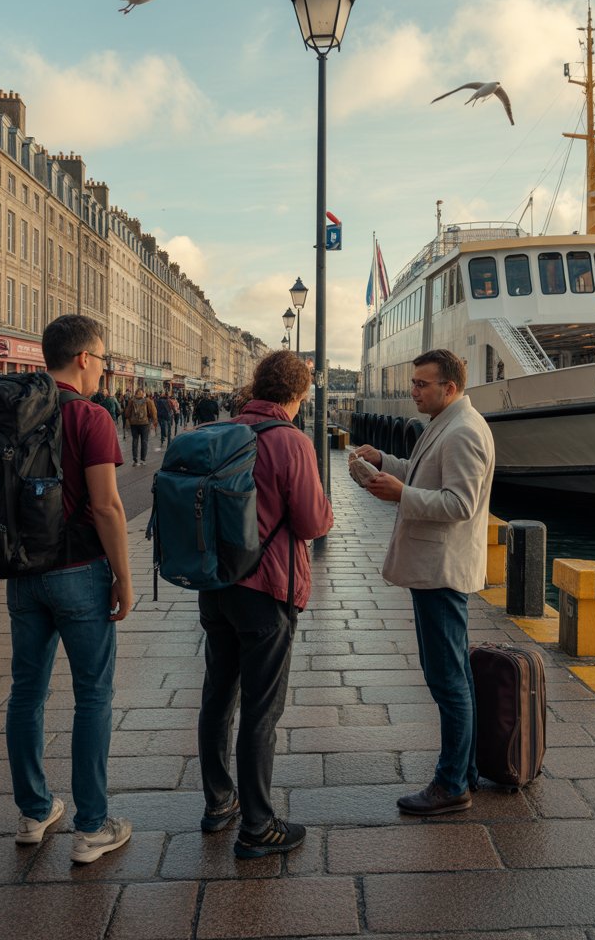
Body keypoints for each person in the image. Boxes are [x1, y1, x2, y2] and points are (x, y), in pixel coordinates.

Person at [5, 313, 134, 864]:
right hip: (79, 571)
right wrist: (123, 578)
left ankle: (34, 813)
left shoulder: (12, 410)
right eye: (102, 359)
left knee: (26, 694)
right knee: (93, 697)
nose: (103, 369)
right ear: (83, 358)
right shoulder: (90, 415)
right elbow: (105, 505)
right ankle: (91, 827)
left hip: (21, 574)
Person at [197, 350, 333, 859]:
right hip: (267, 588)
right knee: (261, 706)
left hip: (217, 586)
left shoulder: (224, 431)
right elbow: (313, 523)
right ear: (296, 396)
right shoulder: (291, 441)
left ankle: (218, 802)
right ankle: (257, 825)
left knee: (218, 694)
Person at [353, 348, 495, 816]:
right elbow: (425, 476)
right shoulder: (447, 423)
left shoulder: (464, 432)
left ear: (448, 388)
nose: (412, 391)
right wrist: (385, 463)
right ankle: (464, 770)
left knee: (447, 678)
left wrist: (401, 494)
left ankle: (451, 783)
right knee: (453, 674)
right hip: (434, 569)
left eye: (421, 384)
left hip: (442, 571)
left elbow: (460, 504)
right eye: (414, 383)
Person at [125, 388, 157, 466]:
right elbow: (153, 411)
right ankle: (143, 459)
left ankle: (135, 459)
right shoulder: (147, 400)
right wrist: (154, 421)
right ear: (143, 393)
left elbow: (127, 413)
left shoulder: (132, 401)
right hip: (144, 424)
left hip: (134, 424)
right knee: (144, 441)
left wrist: (127, 421)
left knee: (135, 441)